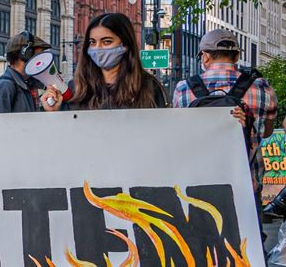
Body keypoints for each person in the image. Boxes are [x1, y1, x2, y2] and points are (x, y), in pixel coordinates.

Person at [171, 29, 278, 194]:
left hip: (198, 185)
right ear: (236, 57)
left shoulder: (183, 89)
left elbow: (179, 135)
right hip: (245, 187)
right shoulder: (261, 87)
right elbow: (266, 132)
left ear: (205, 56)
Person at [42, 13, 168, 110]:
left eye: (107, 41)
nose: (98, 48)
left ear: (126, 44)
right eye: (92, 42)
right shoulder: (77, 89)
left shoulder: (148, 87)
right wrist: (53, 112)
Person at [0, 32, 53, 113]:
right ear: (26, 55)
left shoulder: (30, 85)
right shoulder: (4, 87)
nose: (42, 60)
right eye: (39, 55)